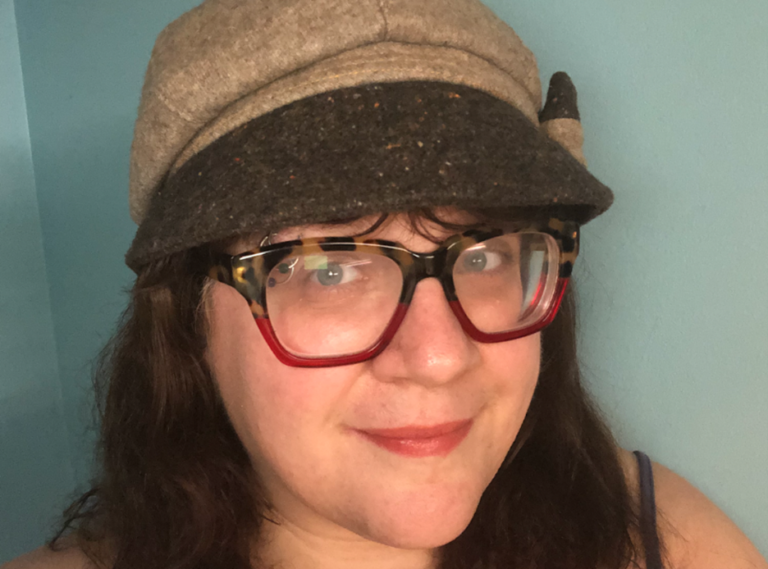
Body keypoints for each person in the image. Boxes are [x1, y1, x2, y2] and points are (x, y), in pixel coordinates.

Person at [4, 0, 766, 568]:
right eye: (328, 269)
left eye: (485, 256)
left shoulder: (660, 537)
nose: (438, 357)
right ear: (188, 321)